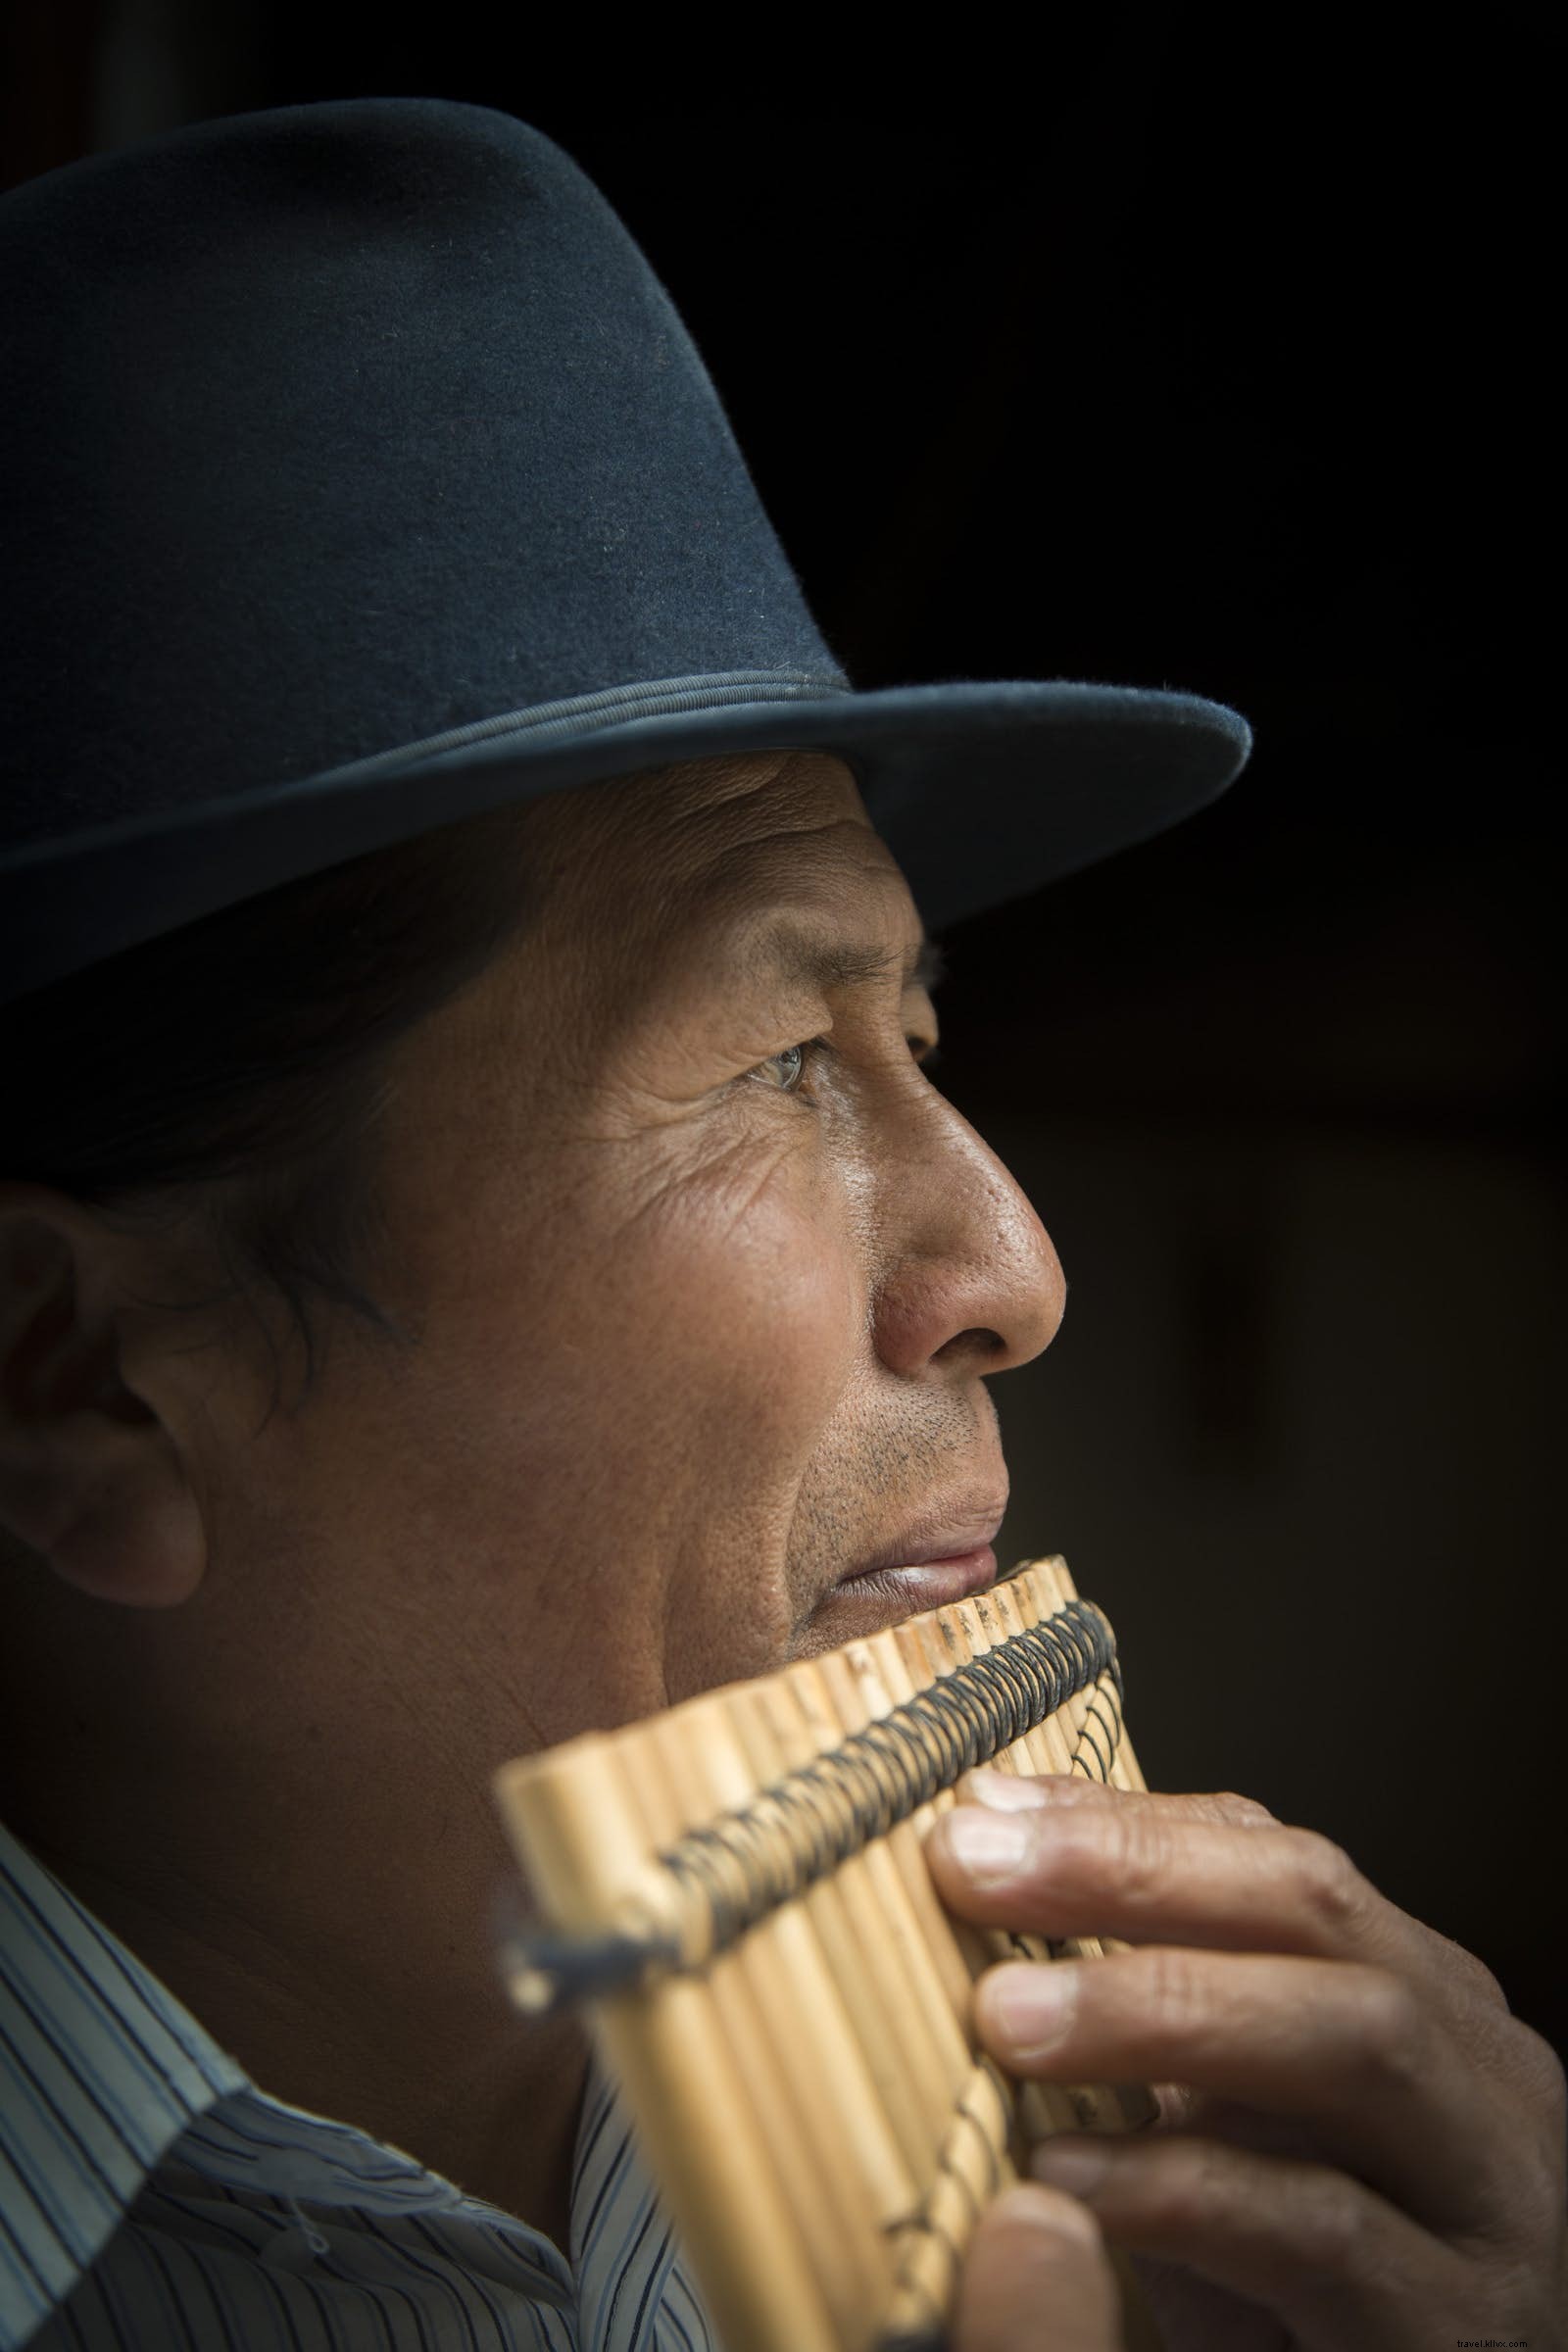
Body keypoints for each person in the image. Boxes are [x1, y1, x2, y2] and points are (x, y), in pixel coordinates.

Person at [0, 96, 1560, 2352]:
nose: (1009, 1276)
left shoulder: (1163, 2212)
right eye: (775, 1066)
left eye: (919, 1035)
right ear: (85, 1384)